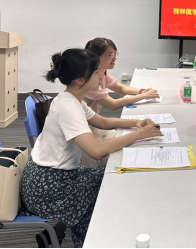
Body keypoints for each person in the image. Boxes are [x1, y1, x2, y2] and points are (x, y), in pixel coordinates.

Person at [21, 49, 163, 248]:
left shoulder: (71, 98)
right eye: (97, 72)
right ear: (80, 80)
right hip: (49, 188)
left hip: (49, 176)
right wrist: (138, 135)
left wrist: (136, 123)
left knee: (106, 177)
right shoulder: (69, 107)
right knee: (108, 183)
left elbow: (103, 122)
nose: (101, 76)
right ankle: (88, 240)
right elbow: (96, 151)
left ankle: (60, 233)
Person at [82, 38, 160, 167]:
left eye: (115, 54)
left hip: (95, 124)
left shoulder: (101, 74)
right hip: (87, 133)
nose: (115, 58)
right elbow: (112, 105)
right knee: (112, 161)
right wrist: (144, 96)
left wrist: (141, 92)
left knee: (132, 145)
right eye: (110, 55)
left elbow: (103, 121)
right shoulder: (89, 82)